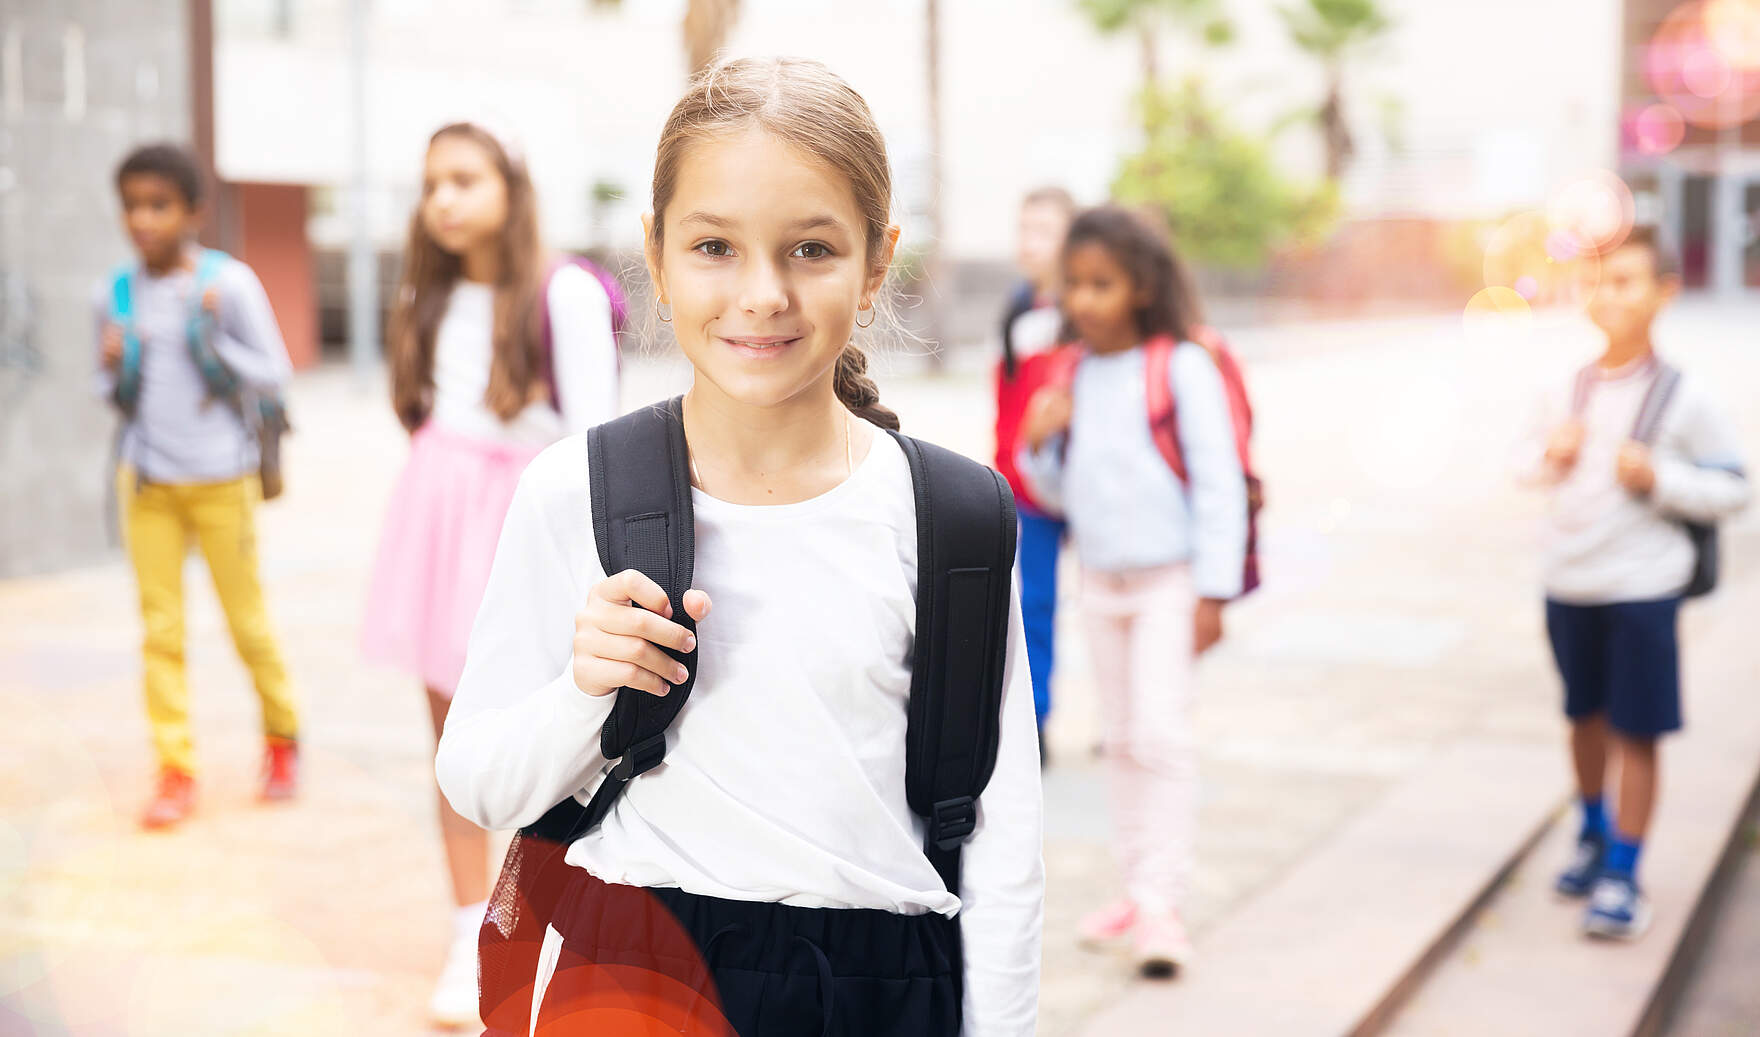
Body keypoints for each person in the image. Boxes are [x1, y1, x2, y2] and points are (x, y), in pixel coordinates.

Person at [436, 58, 1043, 1036]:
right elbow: (477, 778)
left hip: (882, 986)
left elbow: (1002, 837)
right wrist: (586, 690)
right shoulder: (574, 490)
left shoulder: (954, 518)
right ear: (658, 255)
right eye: (714, 245)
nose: (761, 294)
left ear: (877, 260)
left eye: (810, 248)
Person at [359, 122, 620, 1026]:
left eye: (465, 178)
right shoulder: (426, 295)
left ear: (511, 184)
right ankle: (472, 928)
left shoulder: (565, 292)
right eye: (432, 182)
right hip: (437, 527)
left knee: (553, 747)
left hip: (527, 534)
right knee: (453, 742)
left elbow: (594, 441)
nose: (444, 199)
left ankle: (537, 930)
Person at [1017, 206, 1247, 977]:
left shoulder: (1180, 364)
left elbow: (1221, 486)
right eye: (1074, 285)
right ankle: (1137, 888)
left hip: (1170, 584)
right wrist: (1039, 441)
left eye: (1101, 284)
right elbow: (1053, 495)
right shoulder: (1071, 372)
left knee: (1159, 735)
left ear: (1143, 286)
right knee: (1120, 739)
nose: (1083, 300)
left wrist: (1215, 593)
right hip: (1102, 586)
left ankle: (1162, 904)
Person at [1517, 227, 1749, 940]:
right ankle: (1591, 829)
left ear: (1664, 293)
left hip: (1643, 587)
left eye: (1626, 281)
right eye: (1599, 282)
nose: (1608, 296)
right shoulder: (1565, 386)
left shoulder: (1686, 396)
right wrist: (1548, 457)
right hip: (1569, 580)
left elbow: (1735, 488)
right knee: (1582, 716)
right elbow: (1520, 466)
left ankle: (1624, 868)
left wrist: (1660, 479)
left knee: (1637, 729)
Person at [95, 142, 299, 831]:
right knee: (160, 631)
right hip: (148, 480)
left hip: (222, 479)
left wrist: (211, 336)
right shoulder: (115, 293)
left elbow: (274, 372)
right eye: (131, 206)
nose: (143, 220)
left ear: (192, 211)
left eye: (158, 205)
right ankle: (175, 767)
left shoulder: (228, 283)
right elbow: (108, 392)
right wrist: (113, 363)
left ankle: (281, 738)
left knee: (247, 622)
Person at [993, 187, 1077, 756]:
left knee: (1109, 602)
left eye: (1044, 229)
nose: (1030, 242)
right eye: (1024, 228)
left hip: (1088, 487)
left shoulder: (1087, 312)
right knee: (1033, 604)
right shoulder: (1018, 311)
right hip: (1026, 489)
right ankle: (1036, 721)